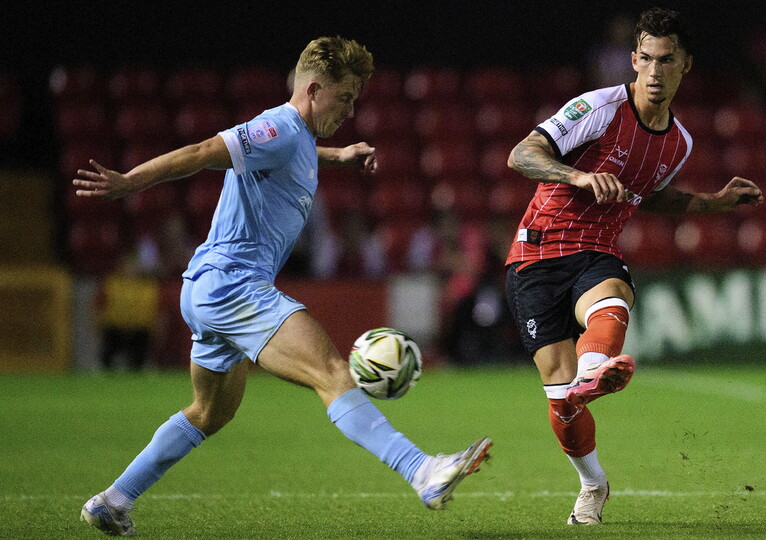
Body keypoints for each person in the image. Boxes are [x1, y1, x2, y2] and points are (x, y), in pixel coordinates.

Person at [74, 37, 491, 537]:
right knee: (332, 371)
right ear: (313, 89)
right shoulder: (277, 126)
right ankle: (421, 470)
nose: (351, 110)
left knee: (209, 412)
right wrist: (129, 182)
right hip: (234, 285)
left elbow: (296, 152)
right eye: (345, 97)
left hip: (207, 290)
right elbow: (204, 152)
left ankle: (114, 500)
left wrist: (340, 155)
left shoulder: (297, 137)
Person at [503, 8, 762, 525]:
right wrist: (577, 177)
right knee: (563, 404)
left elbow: (651, 195)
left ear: (685, 65)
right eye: (646, 58)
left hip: (595, 250)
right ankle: (593, 484)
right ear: (633, 60)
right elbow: (520, 155)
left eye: (666, 60)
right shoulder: (597, 108)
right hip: (535, 255)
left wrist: (714, 203)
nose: (655, 70)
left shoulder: (680, 142)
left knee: (613, 294)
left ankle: (593, 371)